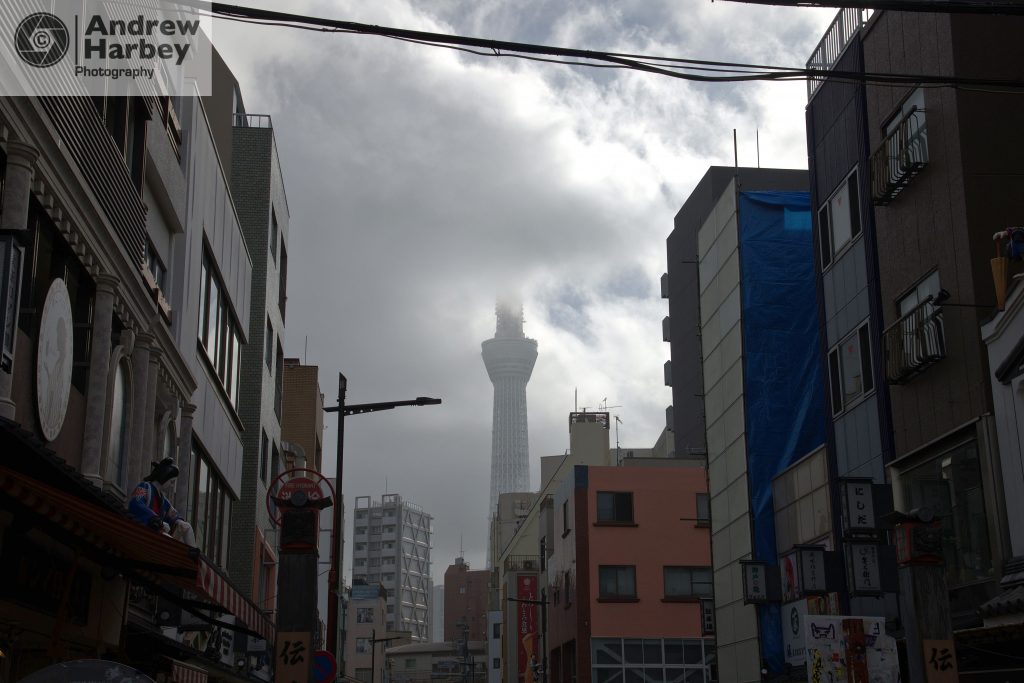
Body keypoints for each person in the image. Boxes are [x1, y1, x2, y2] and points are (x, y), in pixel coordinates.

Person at [129, 458, 196, 547]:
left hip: (157, 530)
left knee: (186, 526)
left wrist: (179, 521)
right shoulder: (144, 487)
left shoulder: (164, 501)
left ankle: (194, 552)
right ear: (164, 476)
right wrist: (155, 519)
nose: (172, 486)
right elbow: (136, 503)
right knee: (168, 541)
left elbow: (174, 515)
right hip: (143, 528)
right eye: (172, 482)